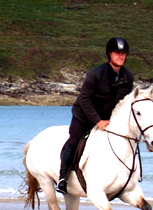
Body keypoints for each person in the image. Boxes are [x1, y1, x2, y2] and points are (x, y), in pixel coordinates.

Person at [57, 37, 134, 193]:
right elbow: (84, 99)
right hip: (84, 115)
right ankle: (63, 178)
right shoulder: (96, 74)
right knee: (74, 140)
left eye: (123, 53)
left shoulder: (128, 76)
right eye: (117, 53)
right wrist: (97, 121)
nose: (121, 56)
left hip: (108, 119)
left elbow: (125, 103)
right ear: (109, 54)